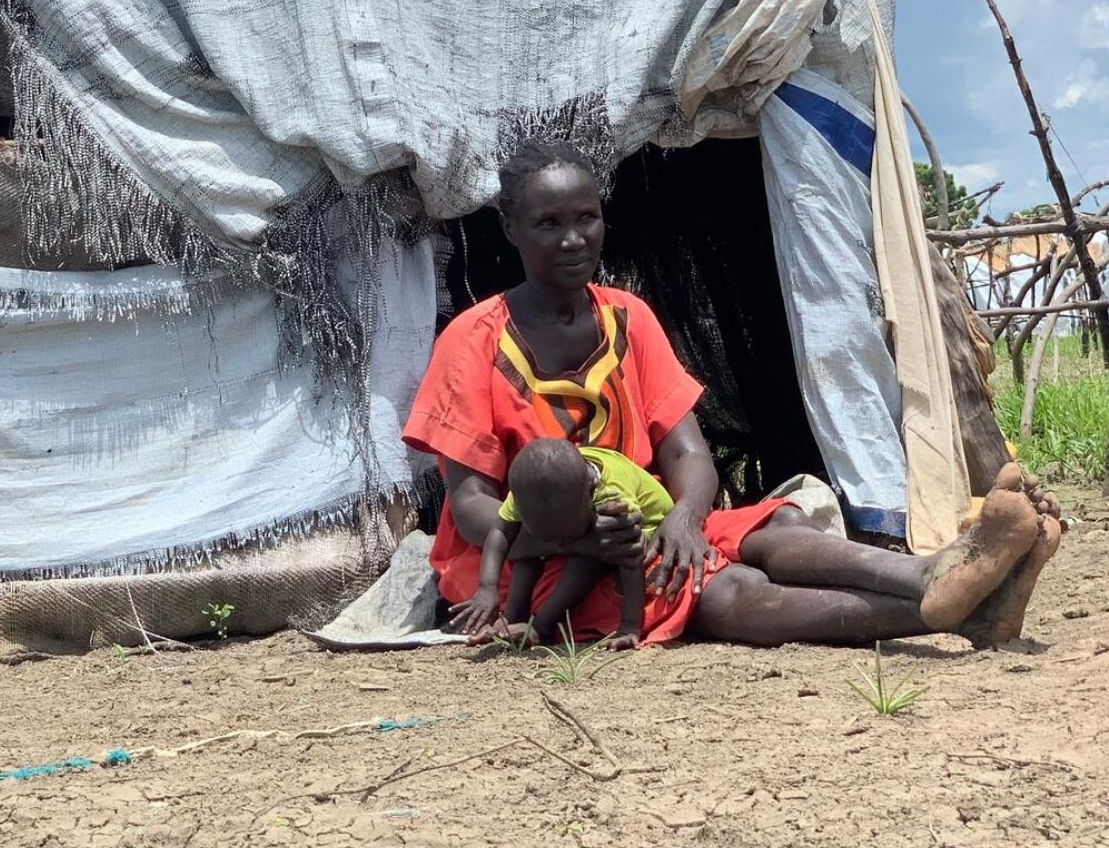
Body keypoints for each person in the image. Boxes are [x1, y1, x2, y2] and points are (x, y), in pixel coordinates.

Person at [405, 139, 1062, 648]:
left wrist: (683, 518)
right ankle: (948, 614)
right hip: (530, 560)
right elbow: (468, 505)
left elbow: (687, 452)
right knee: (721, 591)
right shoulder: (473, 341)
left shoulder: (625, 318)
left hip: (634, 523)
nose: (573, 238)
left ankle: (932, 574)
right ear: (512, 230)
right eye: (548, 223)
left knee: (772, 524)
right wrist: (573, 539)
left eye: (587, 217)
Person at [458, 437, 673, 649]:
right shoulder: (530, 491)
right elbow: (500, 532)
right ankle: (512, 621)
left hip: (647, 528)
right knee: (526, 553)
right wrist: (487, 589)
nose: (562, 543)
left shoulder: (613, 495)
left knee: (585, 561)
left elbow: (630, 555)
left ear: (590, 493)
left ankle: (542, 626)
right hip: (589, 525)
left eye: (568, 534)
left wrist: (629, 627)